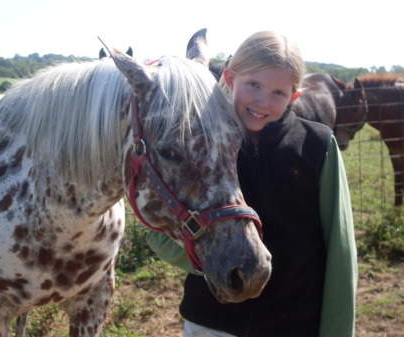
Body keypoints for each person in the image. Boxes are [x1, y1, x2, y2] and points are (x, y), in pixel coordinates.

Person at [146, 31, 358, 337]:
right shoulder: (199, 140)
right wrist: (208, 259)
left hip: (294, 323)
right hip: (212, 321)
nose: (262, 102)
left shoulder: (317, 145)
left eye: (278, 93)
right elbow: (157, 225)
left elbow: (340, 250)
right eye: (253, 85)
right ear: (230, 80)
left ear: (294, 97)